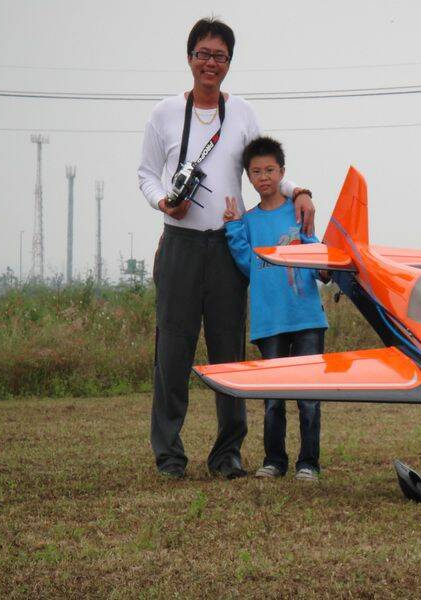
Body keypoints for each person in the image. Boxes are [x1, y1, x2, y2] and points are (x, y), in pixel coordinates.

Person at [137, 17, 316, 480]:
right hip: (179, 244)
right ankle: (169, 455)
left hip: (226, 247)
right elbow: (146, 174)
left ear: (229, 63)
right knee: (172, 350)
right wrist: (163, 201)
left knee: (227, 350)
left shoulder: (242, 114)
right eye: (203, 54)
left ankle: (227, 453)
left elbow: (264, 167)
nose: (210, 63)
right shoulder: (162, 114)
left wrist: (299, 191)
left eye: (219, 56)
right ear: (189, 58)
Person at [223, 136, 328, 482]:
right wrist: (233, 229)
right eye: (256, 171)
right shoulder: (249, 221)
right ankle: (274, 460)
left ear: (283, 172)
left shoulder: (298, 211)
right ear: (249, 178)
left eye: (270, 169)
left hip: (307, 318)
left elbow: (315, 252)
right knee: (273, 397)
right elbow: (246, 266)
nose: (264, 176)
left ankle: (308, 463)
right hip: (270, 322)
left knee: (309, 395)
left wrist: (328, 268)